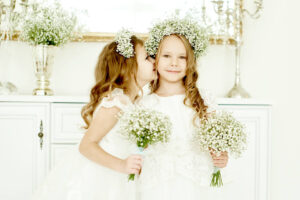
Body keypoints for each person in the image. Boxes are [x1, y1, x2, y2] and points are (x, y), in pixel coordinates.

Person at [32, 29, 157, 200]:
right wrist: (122, 165)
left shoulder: (133, 103)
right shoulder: (116, 103)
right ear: (128, 68)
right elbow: (86, 145)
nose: (154, 60)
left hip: (121, 175)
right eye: (147, 58)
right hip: (105, 174)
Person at [138, 17, 229, 200]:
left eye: (182, 57)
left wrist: (221, 155)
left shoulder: (203, 99)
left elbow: (216, 140)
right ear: (155, 59)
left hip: (195, 181)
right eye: (166, 56)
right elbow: (138, 148)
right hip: (158, 182)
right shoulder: (144, 104)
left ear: (191, 62)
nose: (174, 63)